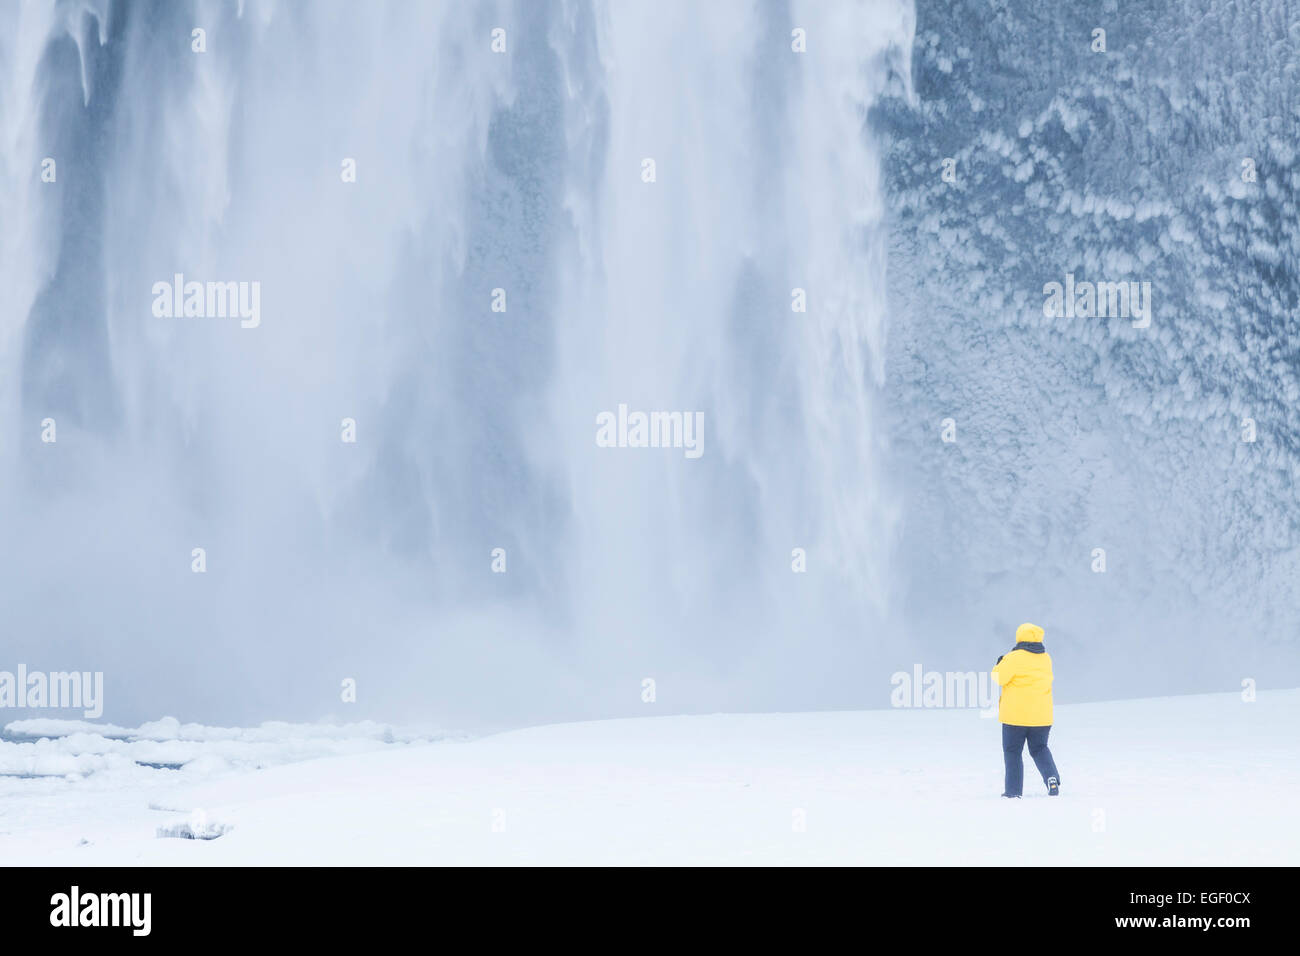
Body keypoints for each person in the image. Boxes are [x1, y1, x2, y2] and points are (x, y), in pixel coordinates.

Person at [991, 622, 1060, 798]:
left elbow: (998, 678)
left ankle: (1013, 792)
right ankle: (1051, 778)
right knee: (1039, 748)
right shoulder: (1046, 658)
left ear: (1019, 637)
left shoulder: (1014, 657)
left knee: (1013, 752)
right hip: (1042, 718)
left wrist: (1000, 663)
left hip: (1015, 717)